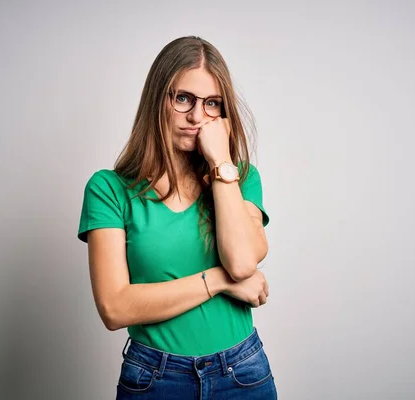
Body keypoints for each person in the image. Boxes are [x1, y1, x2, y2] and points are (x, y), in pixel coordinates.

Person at [77, 36, 277, 399]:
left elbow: (243, 262)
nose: (197, 117)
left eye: (212, 104)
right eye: (183, 98)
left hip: (242, 374)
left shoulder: (240, 178)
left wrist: (219, 164)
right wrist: (219, 281)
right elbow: (114, 307)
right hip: (155, 378)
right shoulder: (109, 189)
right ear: (159, 99)